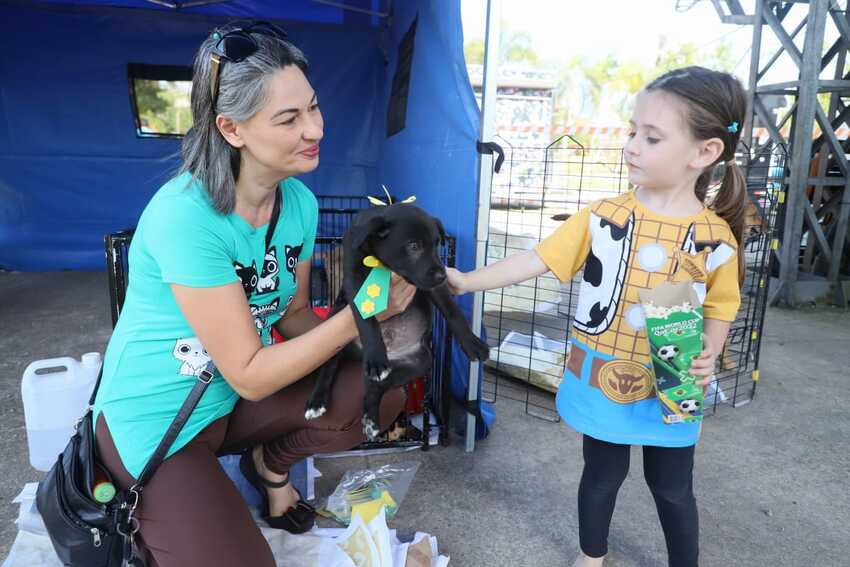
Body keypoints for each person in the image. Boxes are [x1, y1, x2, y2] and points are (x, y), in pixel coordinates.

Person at [92, 22, 412, 567]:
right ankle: (155, 505)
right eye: (289, 119)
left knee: (380, 390)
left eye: (312, 107)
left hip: (233, 403)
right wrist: (358, 315)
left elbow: (289, 315)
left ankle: (268, 466)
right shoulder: (185, 216)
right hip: (161, 423)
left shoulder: (300, 205)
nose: (314, 129)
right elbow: (249, 370)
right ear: (231, 129)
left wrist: (377, 329)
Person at [447, 66, 746, 567]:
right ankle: (591, 559)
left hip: (673, 381)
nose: (631, 145)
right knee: (601, 475)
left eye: (651, 137)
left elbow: (720, 307)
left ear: (705, 152)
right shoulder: (604, 214)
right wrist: (467, 280)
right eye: (633, 131)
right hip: (605, 373)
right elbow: (538, 259)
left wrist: (711, 347)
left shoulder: (717, 237)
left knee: (673, 489)